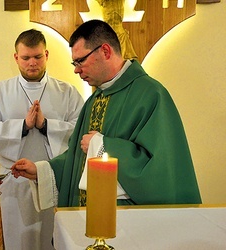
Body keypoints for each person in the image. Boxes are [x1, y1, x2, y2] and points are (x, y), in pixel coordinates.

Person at [11, 20, 202, 211]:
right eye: (74, 63)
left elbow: (161, 169)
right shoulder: (94, 100)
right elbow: (78, 159)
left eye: (80, 61)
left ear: (105, 51)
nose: (76, 69)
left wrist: (102, 146)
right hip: (90, 217)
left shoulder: (150, 94)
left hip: (127, 218)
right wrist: (42, 170)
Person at [0, 29, 84, 250]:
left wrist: (46, 126)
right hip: (15, 184)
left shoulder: (68, 92)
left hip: (55, 180)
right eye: (25, 58)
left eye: (37, 57)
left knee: (55, 241)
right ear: (16, 57)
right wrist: (23, 127)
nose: (32, 63)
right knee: (20, 242)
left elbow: (82, 132)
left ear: (46, 55)